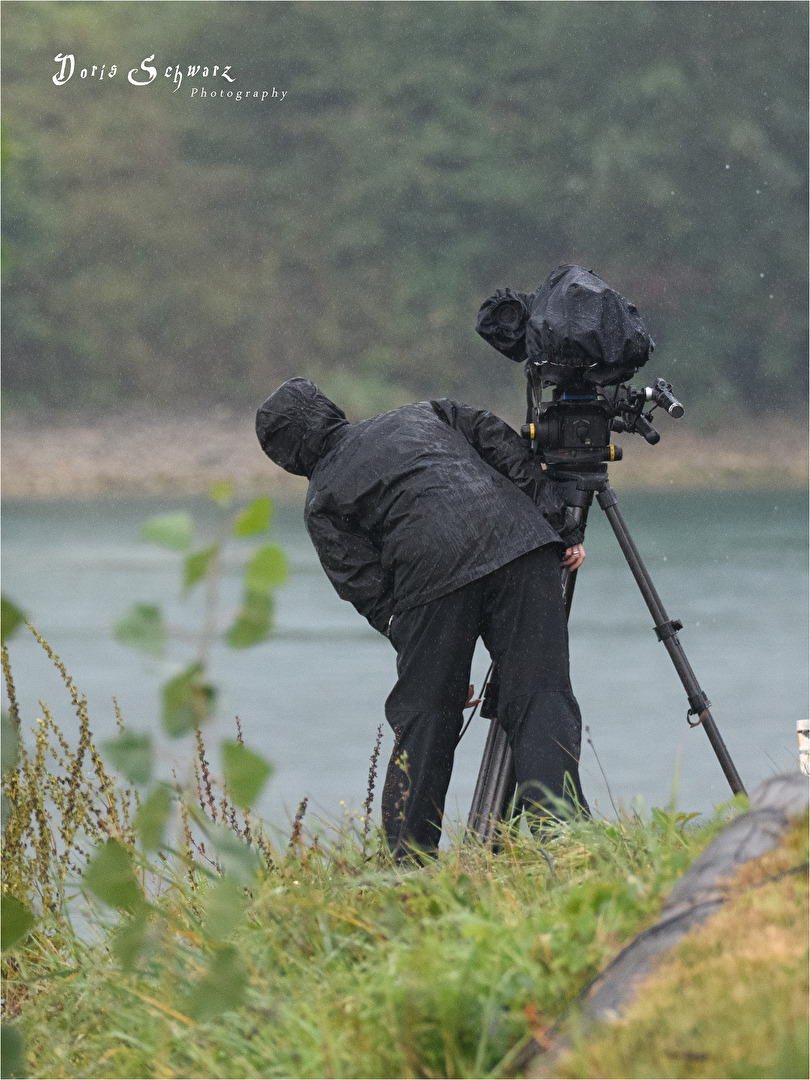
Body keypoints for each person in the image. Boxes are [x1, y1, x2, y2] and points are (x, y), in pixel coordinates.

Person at [256, 377, 589, 859]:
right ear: (329, 408)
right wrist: (559, 522)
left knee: (426, 718)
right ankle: (565, 839)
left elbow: (368, 588)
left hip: (431, 579)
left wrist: (431, 661)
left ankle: (406, 865)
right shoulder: (423, 413)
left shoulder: (322, 500)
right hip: (522, 545)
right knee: (541, 695)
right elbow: (498, 440)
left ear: (286, 457)